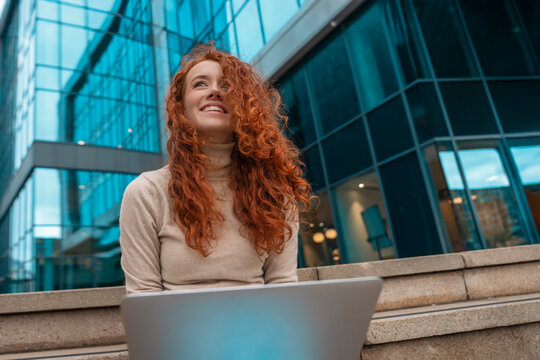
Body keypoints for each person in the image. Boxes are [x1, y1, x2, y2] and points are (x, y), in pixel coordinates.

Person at [119, 44, 312, 293]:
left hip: (259, 328)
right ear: (181, 108)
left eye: (227, 86)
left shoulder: (275, 193)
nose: (214, 91)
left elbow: (283, 286)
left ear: (245, 106)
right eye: (200, 84)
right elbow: (143, 296)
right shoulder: (146, 193)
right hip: (177, 331)